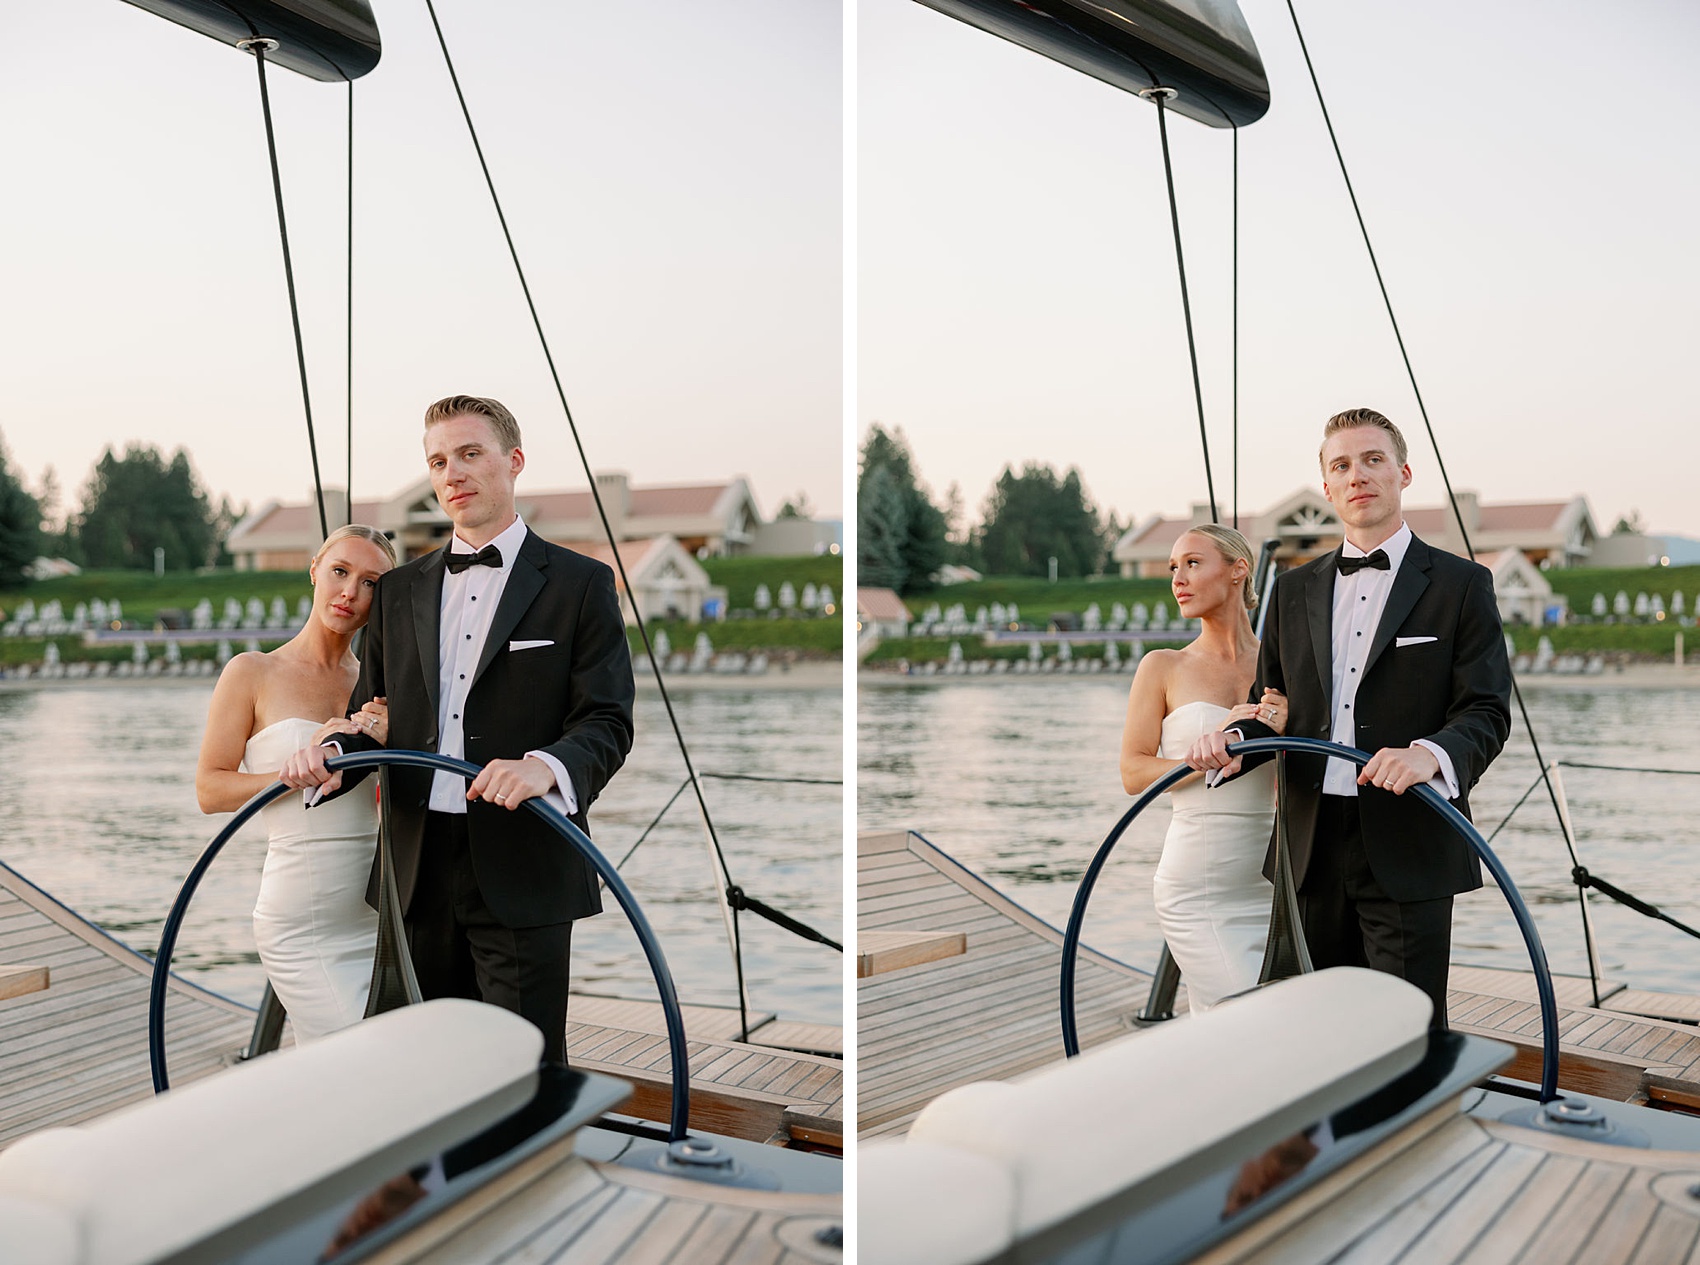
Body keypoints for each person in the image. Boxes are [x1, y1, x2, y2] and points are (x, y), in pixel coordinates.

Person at [279, 394, 635, 1063]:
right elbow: (373, 714)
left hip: (522, 856)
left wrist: (545, 766)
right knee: (427, 1065)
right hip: (414, 869)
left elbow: (607, 720)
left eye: (470, 453)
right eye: (439, 460)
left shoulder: (581, 585)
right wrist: (334, 749)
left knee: (524, 1064)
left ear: (513, 461)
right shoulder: (398, 591)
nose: (453, 473)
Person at [1186, 407, 1512, 1027]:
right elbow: (1272, 708)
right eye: (1342, 465)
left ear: (1404, 473)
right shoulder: (1291, 590)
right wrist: (1234, 737)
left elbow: (1486, 708)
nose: (1357, 475)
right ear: (1328, 486)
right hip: (1309, 846)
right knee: (1315, 1027)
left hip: (1407, 833)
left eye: (1373, 460)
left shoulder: (1462, 585)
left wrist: (1430, 755)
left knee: (1406, 1027)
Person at [195, 524, 397, 1042]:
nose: (351, 592)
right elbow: (210, 790)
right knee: (362, 1056)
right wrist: (292, 775)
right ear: (314, 571)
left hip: (375, 916)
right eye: (340, 571)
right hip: (300, 920)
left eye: (372, 582)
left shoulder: (378, 688)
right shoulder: (252, 672)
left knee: (339, 1072)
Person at [1120, 523, 1286, 1012]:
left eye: (1193, 563)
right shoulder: (1163, 666)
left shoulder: (1283, 669)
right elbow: (1132, 773)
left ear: (1239, 570)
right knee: (1245, 1015)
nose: (1178, 579)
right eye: (1174, 568)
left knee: (1242, 1026)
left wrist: (1286, 732)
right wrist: (1206, 755)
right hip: (1196, 884)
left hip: (1273, 880)